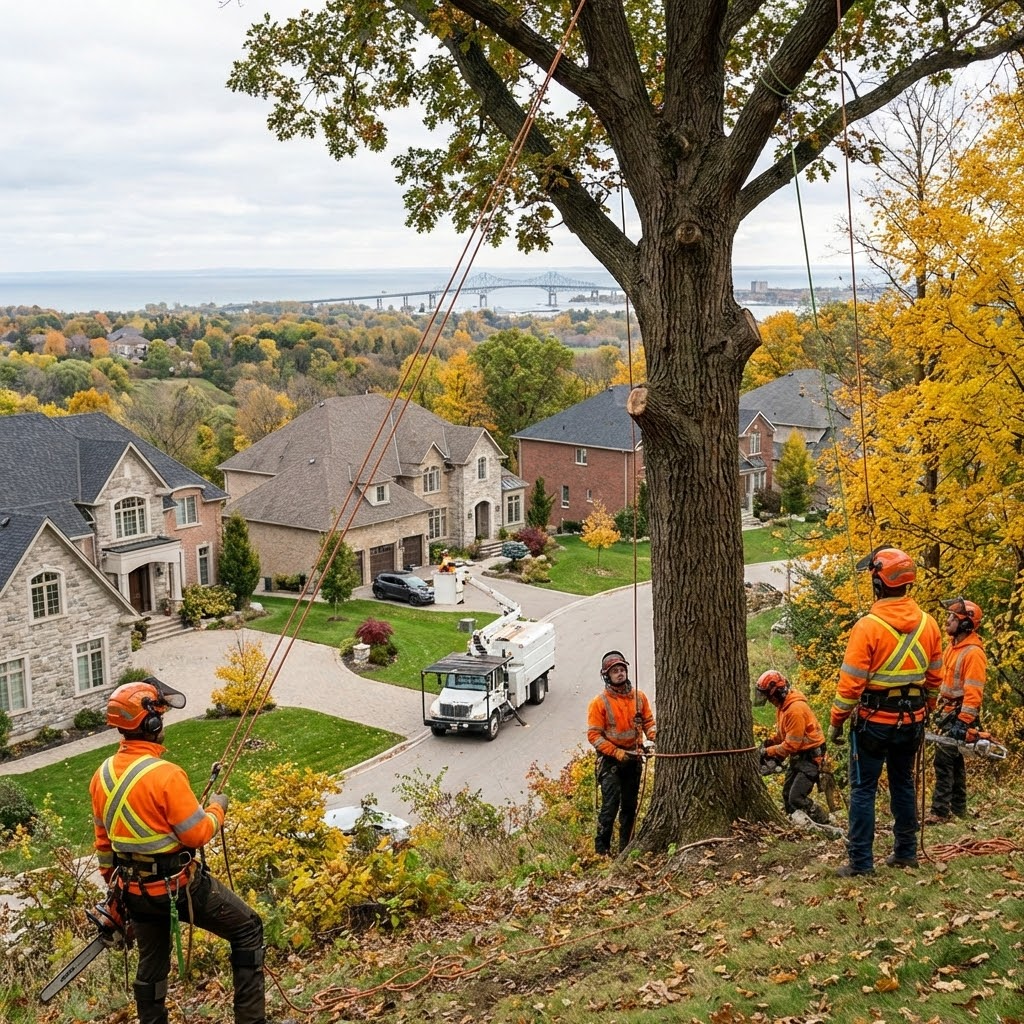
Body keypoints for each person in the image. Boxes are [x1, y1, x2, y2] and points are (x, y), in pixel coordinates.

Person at [91, 676, 267, 1024]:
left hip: (133, 891)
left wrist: (118, 889)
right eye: (160, 716)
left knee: (151, 965)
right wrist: (218, 807)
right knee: (248, 928)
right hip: (177, 887)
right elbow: (197, 833)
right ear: (152, 723)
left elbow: (103, 845)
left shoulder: (102, 775)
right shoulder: (166, 775)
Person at [829, 547, 943, 876]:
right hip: (913, 720)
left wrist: (837, 720)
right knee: (903, 783)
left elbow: (850, 684)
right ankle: (906, 851)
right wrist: (927, 708)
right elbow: (935, 677)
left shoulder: (868, 626)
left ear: (878, 584)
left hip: (874, 723)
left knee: (863, 789)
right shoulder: (929, 624)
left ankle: (861, 863)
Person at [587, 650, 656, 856]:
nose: (619, 673)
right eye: (615, 671)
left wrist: (652, 738)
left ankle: (625, 849)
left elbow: (649, 723)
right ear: (607, 675)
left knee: (629, 807)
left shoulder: (639, 697)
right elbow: (594, 736)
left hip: (634, 759)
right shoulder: (599, 703)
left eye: (622, 669)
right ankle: (602, 851)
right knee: (610, 807)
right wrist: (617, 753)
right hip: (611, 763)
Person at [926, 597, 987, 824]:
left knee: (943, 761)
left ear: (965, 623)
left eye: (953, 617)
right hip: (949, 709)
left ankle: (940, 811)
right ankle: (959, 808)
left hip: (961, 712)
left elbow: (974, 692)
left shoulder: (973, 653)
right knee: (955, 759)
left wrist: (964, 720)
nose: (948, 620)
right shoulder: (952, 647)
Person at [754, 670, 830, 825]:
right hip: (798, 756)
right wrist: (771, 742)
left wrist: (767, 752)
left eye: (769, 696)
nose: (769, 700)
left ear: (778, 692)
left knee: (796, 797)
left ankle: (823, 820)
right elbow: (785, 736)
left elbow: (791, 745)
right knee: (787, 794)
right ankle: (796, 823)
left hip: (811, 758)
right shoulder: (783, 708)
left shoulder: (794, 710)